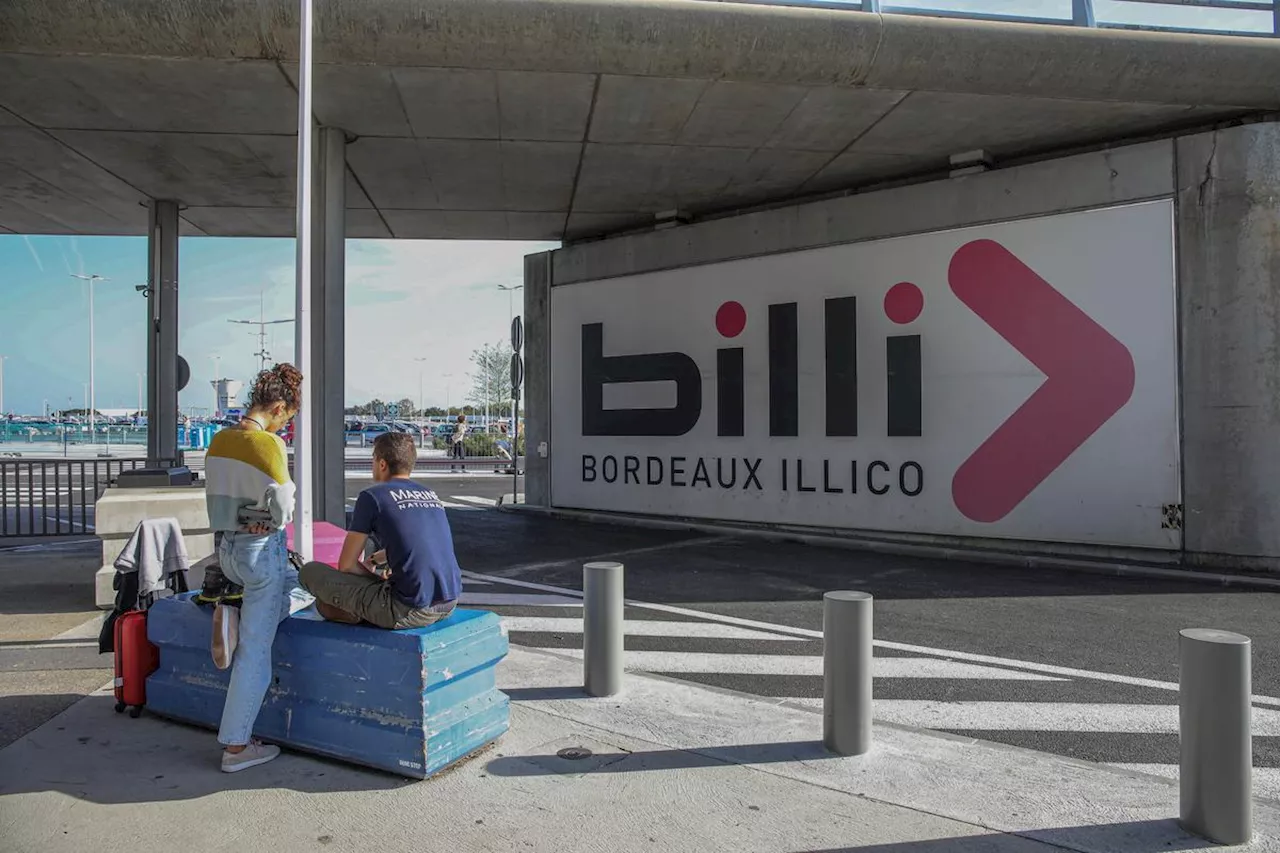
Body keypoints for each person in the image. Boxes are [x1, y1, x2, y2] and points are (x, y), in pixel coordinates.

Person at [202, 363, 303, 773]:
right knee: (256, 650)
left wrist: (245, 514)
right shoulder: (268, 445)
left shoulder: (219, 441)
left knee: (293, 590)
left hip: (228, 549)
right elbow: (283, 509)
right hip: (262, 552)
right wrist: (274, 513)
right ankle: (237, 747)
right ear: (278, 407)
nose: (284, 429)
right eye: (287, 419)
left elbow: (217, 503)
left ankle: (233, 621)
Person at [300, 432, 461, 629]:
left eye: (373, 460)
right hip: (449, 602)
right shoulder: (430, 495)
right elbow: (421, 542)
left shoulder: (372, 497)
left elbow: (347, 565)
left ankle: (360, 612)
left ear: (382, 464)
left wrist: (375, 580)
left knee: (310, 572)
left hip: (407, 609)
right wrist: (375, 560)